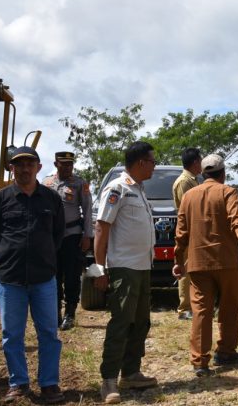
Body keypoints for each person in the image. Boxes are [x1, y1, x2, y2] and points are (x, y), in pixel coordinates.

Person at [0, 146, 66, 404]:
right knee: (12, 335)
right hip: (10, 280)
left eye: (30, 164)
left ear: (38, 167)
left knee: (49, 333)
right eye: (19, 164)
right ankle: (18, 383)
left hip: (44, 279)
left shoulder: (51, 199)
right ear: (11, 168)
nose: (24, 169)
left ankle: (49, 384)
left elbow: (58, 235)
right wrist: (6, 256)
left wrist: (44, 257)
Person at [173, 154, 238, 376]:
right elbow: (237, 221)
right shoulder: (228, 192)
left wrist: (178, 261)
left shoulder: (188, 196)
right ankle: (226, 352)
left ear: (203, 173)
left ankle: (200, 362)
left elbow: (181, 233)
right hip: (226, 262)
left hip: (198, 263)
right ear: (223, 174)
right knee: (230, 308)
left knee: (201, 311)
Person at [93, 142, 158, 404]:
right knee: (121, 322)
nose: (154, 166)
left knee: (141, 322)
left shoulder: (139, 190)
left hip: (143, 266)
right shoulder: (117, 188)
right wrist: (99, 268)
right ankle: (108, 380)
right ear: (141, 162)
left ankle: (131, 372)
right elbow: (101, 228)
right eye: (152, 161)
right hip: (124, 267)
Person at [42, 151, 93, 331]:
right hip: (50, 237)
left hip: (72, 235)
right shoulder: (46, 183)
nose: (67, 167)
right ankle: (55, 312)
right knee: (52, 276)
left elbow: (87, 210)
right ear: (56, 164)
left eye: (70, 164)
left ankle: (70, 313)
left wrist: (87, 235)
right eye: (63, 164)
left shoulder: (79, 183)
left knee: (72, 275)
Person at [172, 147, 203, 321]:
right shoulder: (184, 182)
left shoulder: (194, 180)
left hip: (195, 230)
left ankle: (193, 305)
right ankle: (184, 309)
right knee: (185, 269)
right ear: (195, 162)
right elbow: (188, 210)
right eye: (200, 160)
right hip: (188, 231)